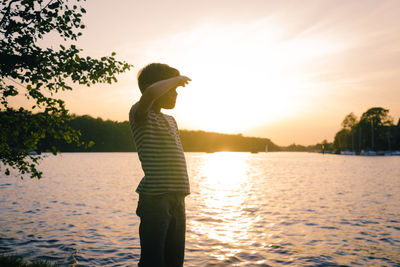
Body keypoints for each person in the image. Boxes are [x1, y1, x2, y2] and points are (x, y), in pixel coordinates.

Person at [129, 63, 191, 267]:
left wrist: (174, 81)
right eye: (170, 88)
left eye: (175, 90)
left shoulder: (171, 120)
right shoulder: (140, 114)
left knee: (174, 261)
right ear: (153, 87)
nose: (175, 93)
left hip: (178, 198)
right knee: (153, 261)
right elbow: (149, 94)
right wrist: (177, 79)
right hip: (155, 200)